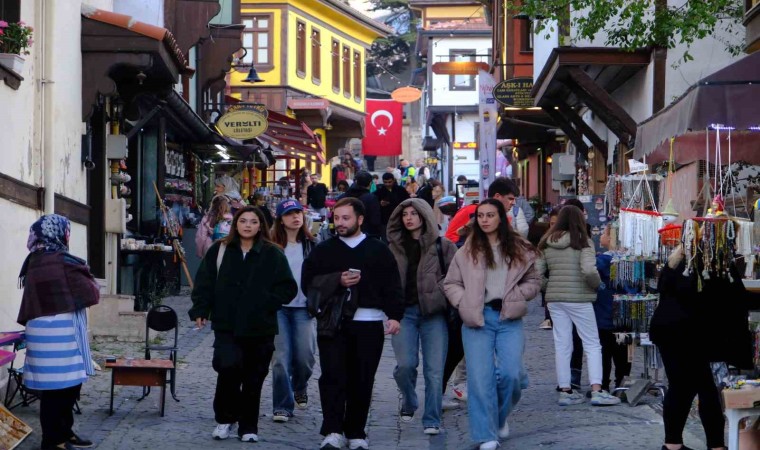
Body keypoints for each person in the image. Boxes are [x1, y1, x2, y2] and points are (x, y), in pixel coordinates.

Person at [302, 197, 404, 450]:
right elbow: (309, 282)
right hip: (333, 324)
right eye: (336, 218)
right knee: (333, 377)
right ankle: (333, 429)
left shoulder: (378, 250)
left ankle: (356, 430)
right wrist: (337, 280)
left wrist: (394, 315)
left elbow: (392, 285)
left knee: (362, 378)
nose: (340, 223)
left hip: (369, 323)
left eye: (346, 218)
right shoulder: (324, 251)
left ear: (360, 219)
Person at [189, 206, 298, 443]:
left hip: (260, 326)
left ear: (261, 226)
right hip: (227, 323)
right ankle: (225, 419)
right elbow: (205, 281)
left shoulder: (272, 253)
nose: (248, 225)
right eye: (243, 221)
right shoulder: (220, 250)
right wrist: (200, 309)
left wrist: (267, 302)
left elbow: (288, 287)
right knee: (227, 367)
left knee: (253, 376)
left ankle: (248, 426)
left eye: (253, 222)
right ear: (236, 224)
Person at [442, 199, 541, 450]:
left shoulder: (518, 247)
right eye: (481, 215)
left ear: (501, 218)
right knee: (479, 378)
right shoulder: (467, 250)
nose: (484, 220)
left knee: (512, 374)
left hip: (508, 318)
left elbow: (534, 279)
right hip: (477, 319)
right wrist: (463, 301)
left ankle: (499, 415)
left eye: (490, 215)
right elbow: (451, 283)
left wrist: (520, 293)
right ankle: (486, 434)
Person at [650, 240, 758, 450]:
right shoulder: (716, 265)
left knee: (682, 388)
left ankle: (673, 445)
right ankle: (715, 446)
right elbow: (737, 298)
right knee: (706, 390)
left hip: (668, 333)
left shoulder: (675, 262)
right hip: (691, 337)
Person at [17, 214, 99, 450]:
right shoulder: (63, 260)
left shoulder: (34, 260)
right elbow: (91, 292)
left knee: (57, 389)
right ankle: (54, 440)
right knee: (63, 390)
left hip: (41, 332)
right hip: (62, 333)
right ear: (60, 233)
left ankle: (63, 433)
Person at [535, 205, 621, 407]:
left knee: (562, 344)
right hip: (580, 298)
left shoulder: (546, 243)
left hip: (555, 299)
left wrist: (551, 287)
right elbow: (589, 270)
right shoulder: (584, 242)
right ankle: (597, 390)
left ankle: (565, 391)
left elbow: (537, 275)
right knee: (592, 343)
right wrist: (596, 285)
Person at [387, 198, 458, 435]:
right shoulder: (393, 247)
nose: (408, 218)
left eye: (413, 214)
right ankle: (409, 399)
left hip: (434, 314)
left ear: (424, 216)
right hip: (403, 314)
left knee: (435, 371)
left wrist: (440, 290)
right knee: (406, 365)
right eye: (404, 214)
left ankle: (432, 419)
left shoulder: (443, 246)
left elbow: (456, 278)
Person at [269, 200, 318, 423]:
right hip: (278, 308)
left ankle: (300, 386)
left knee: (305, 357)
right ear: (281, 219)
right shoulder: (271, 246)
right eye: (289, 214)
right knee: (280, 359)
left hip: (304, 308)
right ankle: (282, 405)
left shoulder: (312, 244)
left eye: (298, 212)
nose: (295, 217)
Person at [595, 225, 631, 393]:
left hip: (603, 313)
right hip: (623, 315)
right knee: (622, 352)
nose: (601, 235)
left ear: (611, 239)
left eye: (604, 233)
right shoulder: (629, 262)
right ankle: (622, 384)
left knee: (603, 353)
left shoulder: (601, 261)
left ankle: (602, 384)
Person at [341, 171, 383, 239]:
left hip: (347, 233)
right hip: (366, 235)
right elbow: (375, 220)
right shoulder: (371, 198)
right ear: (370, 183)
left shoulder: (344, 197)